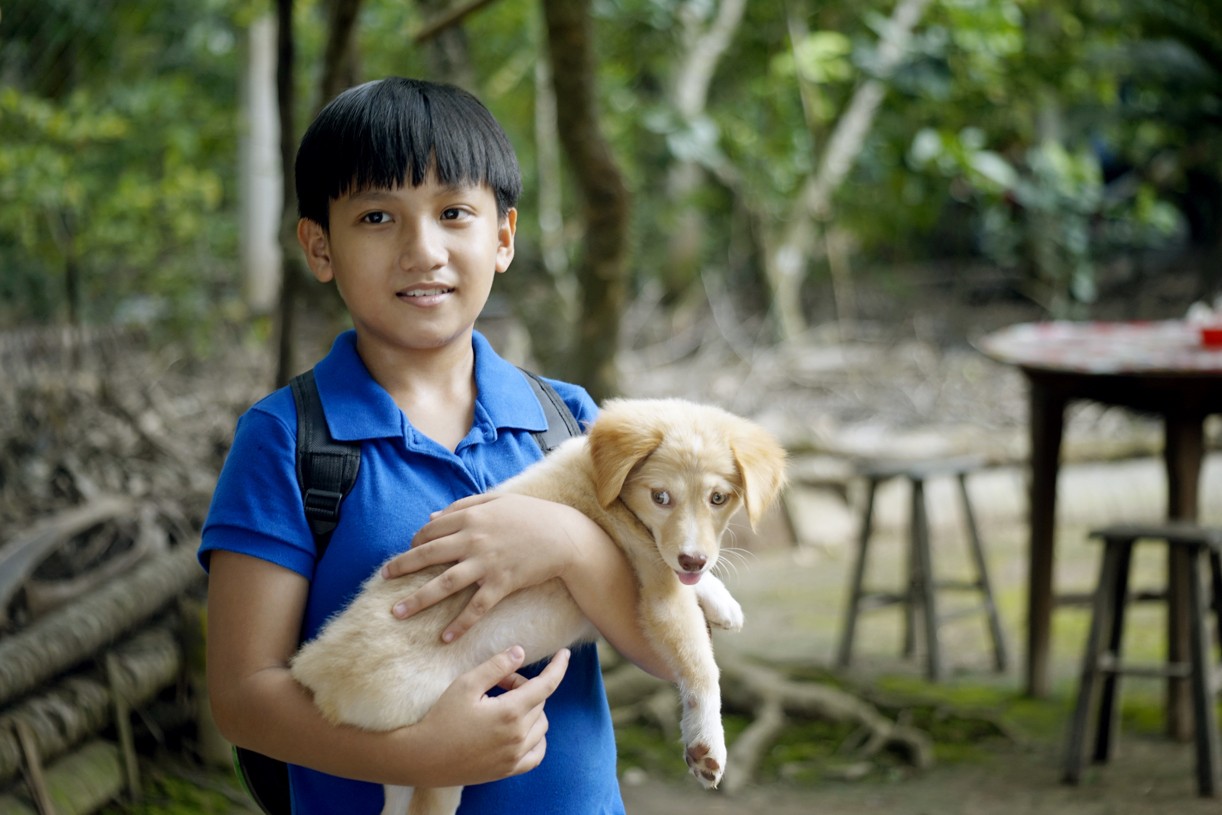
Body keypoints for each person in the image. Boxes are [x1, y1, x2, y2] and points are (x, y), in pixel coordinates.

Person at [200, 77, 669, 815]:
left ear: (504, 237)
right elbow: (241, 696)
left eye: (454, 212)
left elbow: (664, 645)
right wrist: (417, 756)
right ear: (319, 245)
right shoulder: (289, 439)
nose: (423, 251)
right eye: (378, 216)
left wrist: (570, 544)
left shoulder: (569, 421)